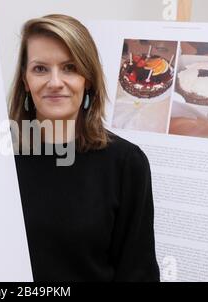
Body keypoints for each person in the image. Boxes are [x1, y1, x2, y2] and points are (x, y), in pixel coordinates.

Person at [9, 14, 160, 281]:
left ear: (87, 78)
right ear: (25, 80)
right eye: (40, 69)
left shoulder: (126, 163)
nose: (55, 82)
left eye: (69, 67)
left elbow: (138, 272)